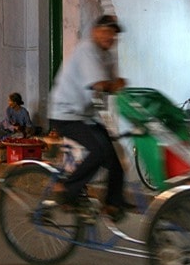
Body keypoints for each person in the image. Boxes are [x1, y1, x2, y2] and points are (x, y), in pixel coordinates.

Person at [47, 14, 132, 221]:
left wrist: (118, 86)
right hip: (65, 114)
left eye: (113, 33)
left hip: (85, 115)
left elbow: (114, 83)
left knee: (115, 157)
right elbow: (100, 84)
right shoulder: (87, 50)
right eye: (105, 31)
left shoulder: (107, 56)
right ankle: (65, 188)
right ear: (95, 32)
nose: (109, 36)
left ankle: (113, 204)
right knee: (99, 151)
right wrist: (115, 84)